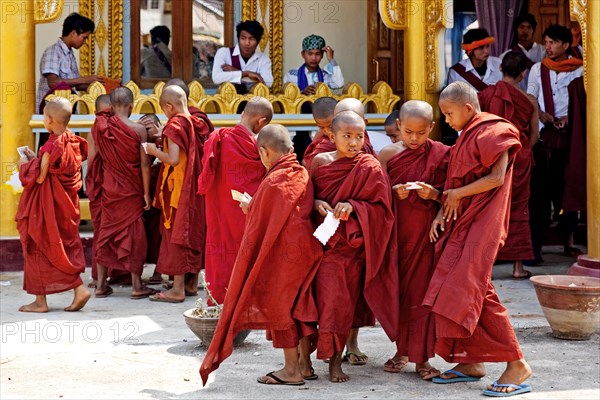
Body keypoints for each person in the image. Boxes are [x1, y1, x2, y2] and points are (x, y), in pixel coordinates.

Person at [426, 82, 532, 397]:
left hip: (484, 224)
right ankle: (471, 362)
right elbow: (458, 180)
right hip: (465, 223)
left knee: (475, 290)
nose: (446, 121)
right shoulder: (467, 136)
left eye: (448, 113)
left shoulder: (493, 131)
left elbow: (496, 178)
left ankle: (517, 364)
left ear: (468, 109)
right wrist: (442, 208)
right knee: (460, 289)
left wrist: (456, 194)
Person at [200, 124, 322, 386]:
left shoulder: (274, 180)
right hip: (305, 252)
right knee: (297, 305)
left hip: (283, 257)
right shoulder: (300, 172)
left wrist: (250, 207)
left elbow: (264, 219)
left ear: (265, 152)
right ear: (290, 149)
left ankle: (291, 370)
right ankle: (305, 364)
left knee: (281, 308)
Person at [311, 111, 399, 382]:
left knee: (343, 305)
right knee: (327, 303)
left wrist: (355, 206)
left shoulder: (370, 167)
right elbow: (304, 197)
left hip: (354, 250)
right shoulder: (319, 162)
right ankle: (313, 359)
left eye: (359, 136)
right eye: (346, 136)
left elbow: (384, 209)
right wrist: (316, 203)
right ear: (331, 135)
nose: (353, 143)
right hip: (324, 248)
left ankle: (336, 362)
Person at [377, 101, 449, 380]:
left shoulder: (442, 154)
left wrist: (434, 195)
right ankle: (402, 350)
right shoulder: (387, 155)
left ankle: (422, 359)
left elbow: (454, 192)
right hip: (396, 238)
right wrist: (393, 192)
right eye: (408, 132)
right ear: (398, 128)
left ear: (431, 128)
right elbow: (375, 195)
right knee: (398, 294)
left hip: (427, 238)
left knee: (422, 298)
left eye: (421, 132)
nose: (415, 139)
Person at [16, 97, 91, 312]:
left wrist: (26, 165)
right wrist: (36, 159)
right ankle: (79, 289)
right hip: (65, 206)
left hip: (46, 208)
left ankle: (40, 302)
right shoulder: (71, 140)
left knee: (38, 245)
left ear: (48, 119)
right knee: (61, 247)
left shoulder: (50, 145)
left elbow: (39, 177)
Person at [197, 97, 273, 305]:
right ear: (262, 122)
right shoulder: (257, 147)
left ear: (242, 115)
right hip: (246, 211)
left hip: (219, 209)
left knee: (220, 250)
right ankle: (246, 302)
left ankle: (220, 300)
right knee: (245, 251)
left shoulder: (219, 139)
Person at [145, 86, 211, 303]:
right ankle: (191, 284)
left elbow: (173, 159)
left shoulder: (174, 125)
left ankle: (177, 289)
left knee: (178, 235)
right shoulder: (196, 121)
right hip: (196, 187)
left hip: (178, 190)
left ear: (168, 106)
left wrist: (153, 150)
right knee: (191, 232)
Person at [479, 51, 539, 279]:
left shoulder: (486, 95)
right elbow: (533, 136)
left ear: (500, 68)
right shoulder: (529, 101)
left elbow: (477, 128)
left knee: (491, 209)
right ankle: (517, 267)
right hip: (519, 156)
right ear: (523, 73)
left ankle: (488, 266)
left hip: (492, 157)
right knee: (519, 210)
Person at [91, 87, 155, 299]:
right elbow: (145, 165)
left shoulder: (100, 127)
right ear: (131, 106)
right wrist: (146, 193)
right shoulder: (138, 130)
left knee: (105, 233)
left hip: (109, 188)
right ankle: (137, 285)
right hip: (131, 189)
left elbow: (95, 158)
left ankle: (101, 285)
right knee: (134, 233)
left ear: (110, 106)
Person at [527, 24, 584, 260]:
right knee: (539, 195)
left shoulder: (580, 71)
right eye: (546, 42)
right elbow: (531, 96)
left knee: (568, 189)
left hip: (571, 139)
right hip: (543, 138)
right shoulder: (537, 69)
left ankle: (568, 240)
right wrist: (540, 114)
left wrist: (569, 118)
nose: (548, 47)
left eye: (552, 43)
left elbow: (586, 101)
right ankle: (535, 248)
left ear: (565, 45)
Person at [37, 13, 104, 113]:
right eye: (84, 37)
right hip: (51, 116)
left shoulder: (69, 54)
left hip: (66, 113)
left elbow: (75, 85)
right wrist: (84, 79)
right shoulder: (53, 52)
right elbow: (53, 83)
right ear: (73, 33)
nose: (85, 42)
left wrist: (98, 85)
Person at [86, 94, 111, 289]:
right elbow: (94, 163)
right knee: (102, 231)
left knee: (116, 231)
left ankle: (113, 274)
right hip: (104, 185)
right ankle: (98, 277)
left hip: (113, 185)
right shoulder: (96, 131)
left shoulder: (97, 130)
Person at [212, 20, 273, 93]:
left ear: (258, 41)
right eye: (243, 38)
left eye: (251, 39)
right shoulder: (224, 53)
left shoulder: (263, 59)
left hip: (254, 103)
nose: (247, 43)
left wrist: (236, 71)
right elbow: (217, 77)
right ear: (238, 39)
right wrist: (246, 73)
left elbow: (268, 82)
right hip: (228, 102)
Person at [500, 13, 545, 91]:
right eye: (522, 27)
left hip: (539, 97)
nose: (525, 31)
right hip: (516, 97)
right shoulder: (506, 55)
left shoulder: (543, 51)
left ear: (533, 30)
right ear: (516, 30)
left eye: (529, 27)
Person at [302, 96, 337, 170]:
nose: (327, 131)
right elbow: (306, 162)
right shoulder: (322, 141)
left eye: (330, 126)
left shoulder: (351, 131)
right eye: (322, 127)